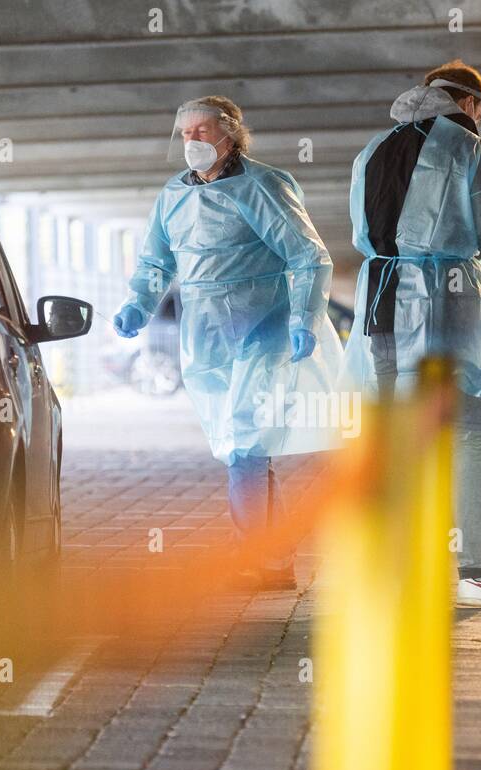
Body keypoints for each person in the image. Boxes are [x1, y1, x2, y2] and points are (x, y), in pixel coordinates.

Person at [112, 96, 342, 590]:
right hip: (205, 335)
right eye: (185, 134)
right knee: (244, 448)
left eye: (201, 131)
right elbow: (157, 262)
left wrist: (304, 316)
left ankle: (252, 560)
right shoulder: (172, 195)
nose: (192, 141)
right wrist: (138, 303)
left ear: (231, 133)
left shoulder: (263, 186)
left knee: (243, 443)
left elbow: (308, 256)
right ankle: (275, 562)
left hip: (265, 326)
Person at [340, 60, 481, 608]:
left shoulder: (372, 148)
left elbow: (360, 231)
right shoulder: (467, 146)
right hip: (445, 310)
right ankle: (474, 570)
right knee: (467, 435)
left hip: (381, 307)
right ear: (471, 104)